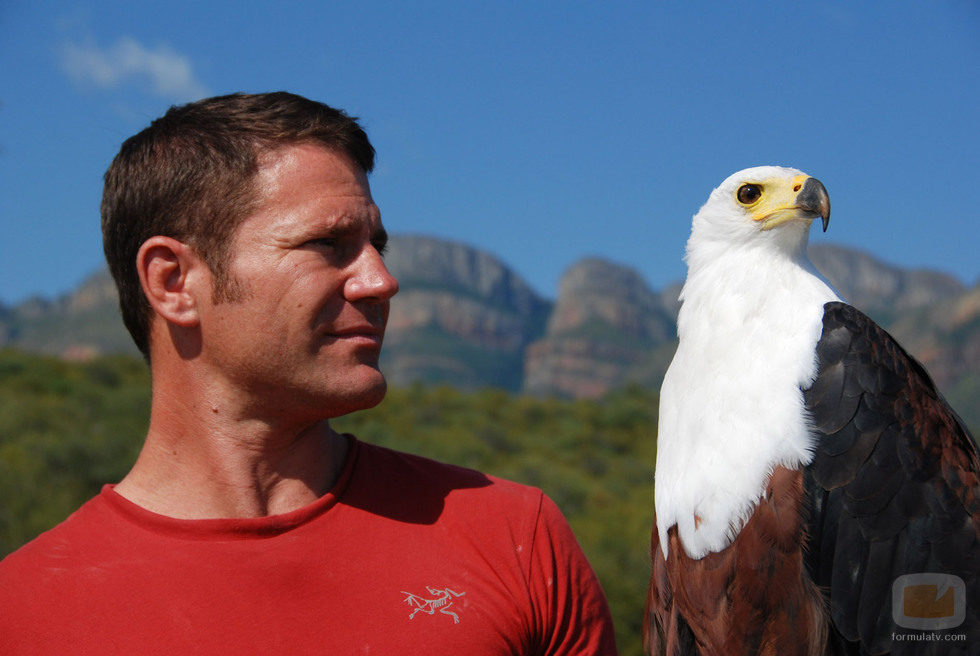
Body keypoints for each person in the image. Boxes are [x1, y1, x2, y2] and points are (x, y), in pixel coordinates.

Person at [0, 92, 617, 655]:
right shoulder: (21, 613)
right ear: (173, 282)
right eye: (328, 244)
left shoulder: (515, 538)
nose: (381, 281)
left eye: (378, 245)